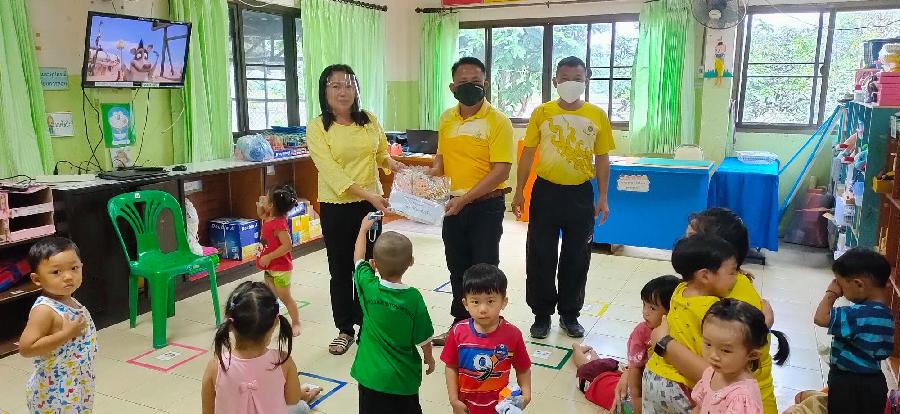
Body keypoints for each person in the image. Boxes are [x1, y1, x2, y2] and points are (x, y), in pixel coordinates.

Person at [512, 56, 614, 339]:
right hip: (546, 192)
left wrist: (603, 196)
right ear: (555, 81)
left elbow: (602, 158)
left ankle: (570, 314)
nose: (571, 83)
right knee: (540, 255)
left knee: (577, 256)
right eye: (565, 78)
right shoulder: (542, 112)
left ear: (586, 81)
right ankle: (541, 314)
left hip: (580, 194)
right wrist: (519, 190)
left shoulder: (596, 115)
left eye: (577, 78)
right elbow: (528, 154)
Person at [307, 64, 405, 355]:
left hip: (370, 205)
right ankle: (345, 329)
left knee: (371, 266)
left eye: (349, 84)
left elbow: (380, 153)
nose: (343, 91)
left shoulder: (369, 119)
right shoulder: (317, 127)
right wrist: (370, 195)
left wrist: (393, 164)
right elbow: (331, 171)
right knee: (341, 269)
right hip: (337, 206)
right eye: (336, 85)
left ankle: (369, 325)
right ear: (324, 91)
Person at [643, 235, 789, 414]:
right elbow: (739, 333)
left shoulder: (679, 290)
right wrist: (765, 322)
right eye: (732, 272)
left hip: (653, 374)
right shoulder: (712, 309)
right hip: (678, 385)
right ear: (705, 275)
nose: (736, 278)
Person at [428, 57, 515, 346]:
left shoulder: (498, 121)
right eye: (463, 82)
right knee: (457, 267)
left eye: (476, 82)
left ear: (485, 84)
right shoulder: (446, 118)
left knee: (485, 269)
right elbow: (441, 158)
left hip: (485, 206)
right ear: (452, 87)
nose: (470, 87)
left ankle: (489, 329)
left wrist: (465, 199)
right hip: (452, 205)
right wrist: (429, 175)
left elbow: (501, 170)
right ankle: (460, 325)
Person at [351, 214, 436, 413]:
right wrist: (429, 358)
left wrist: (363, 230)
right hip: (402, 380)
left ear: (374, 264)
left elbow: (358, 259)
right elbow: (424, 337)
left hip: (370, 376)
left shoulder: (368, 285)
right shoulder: (413, 298)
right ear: (411, 262)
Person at [201, 281, 321, 414]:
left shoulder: (215, 366)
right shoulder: (283, 361)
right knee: (301, 407)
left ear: (230, 323)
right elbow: (292, 400)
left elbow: (207, 411)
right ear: (276, 322)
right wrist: (299, 393)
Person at [19, 237, 98, 413]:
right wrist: (65, 334)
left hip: (78, 381)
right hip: (54, 389)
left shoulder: (70, 299)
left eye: (74, 268)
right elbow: (26, 348)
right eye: (56, 272)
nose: (68, 276)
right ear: (37, 279)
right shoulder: (44, 310)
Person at [440, 264, 532, 414]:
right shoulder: (458, 332)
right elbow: (451, 367)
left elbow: (523, 368)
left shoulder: (513, 334)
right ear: (465, 304)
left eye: (490, 301)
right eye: (475, 302)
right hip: (466, 407)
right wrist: (454, 400)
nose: (483, 309)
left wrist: (526, 395)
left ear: (503, 302)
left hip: (500, 408)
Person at [813, 248, 893, 414]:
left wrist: (831, 294)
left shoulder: (856, 315)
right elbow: (884, 352)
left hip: (848, 384)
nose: (841, 292)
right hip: (875, 383)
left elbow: (820, 318)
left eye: (841, 285)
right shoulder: (887, 316)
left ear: (858, 284)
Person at [601, 275, 681, 414]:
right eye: (644, 305)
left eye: (652, 308)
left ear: (671, 310)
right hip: (638, 382)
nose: (645, 312)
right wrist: (637, 400)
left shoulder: (679, 331)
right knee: (590, 375)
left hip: (659, 386)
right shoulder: (641, 332)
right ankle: (580, 351)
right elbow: (635, 369)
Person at [691, 298, 773, 414]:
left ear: (752, 354)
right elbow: (699, 407)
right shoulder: (711, 372)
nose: (713, 356)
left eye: (725, 350)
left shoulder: (742, 397)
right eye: (708, 344)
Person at [256, 184, 302, 337]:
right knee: (271, 296)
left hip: (281, 268)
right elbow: (261, 214)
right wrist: (260, 204)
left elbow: (287, 246)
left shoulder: (279, 224)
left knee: (285, 297)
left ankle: (296, 322)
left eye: (267, 198)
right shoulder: (269, 216)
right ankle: (271, 321)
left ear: (271, 205)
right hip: (270, 267)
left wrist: (268, 256)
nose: (264, 198)